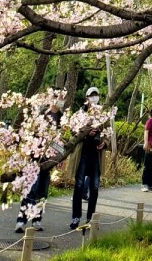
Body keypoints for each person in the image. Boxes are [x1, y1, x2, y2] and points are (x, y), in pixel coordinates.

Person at [15, 96, 64, 233]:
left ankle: (37, 219)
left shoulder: (61, 118)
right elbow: (31, 133)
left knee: (42, 191)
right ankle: (21, 220)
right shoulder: (41, 113)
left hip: (49, 159)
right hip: (34, 156)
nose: (61, 100)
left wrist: (60, 157)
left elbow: (60, 141)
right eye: (59, 97)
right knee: (31, 189)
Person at [69, 87, 107, 229]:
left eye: (96, 95)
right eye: (91, 95)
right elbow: (73, 131)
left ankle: (91, 218)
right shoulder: (80, 113)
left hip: (96, 153)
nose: (94, 97)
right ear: (87, 97)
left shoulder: (103, 114)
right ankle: (76, 217)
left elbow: (108, 133)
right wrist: (87, 132)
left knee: (95, 187)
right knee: (78, 185)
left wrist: (105, 142)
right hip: (83, 152)